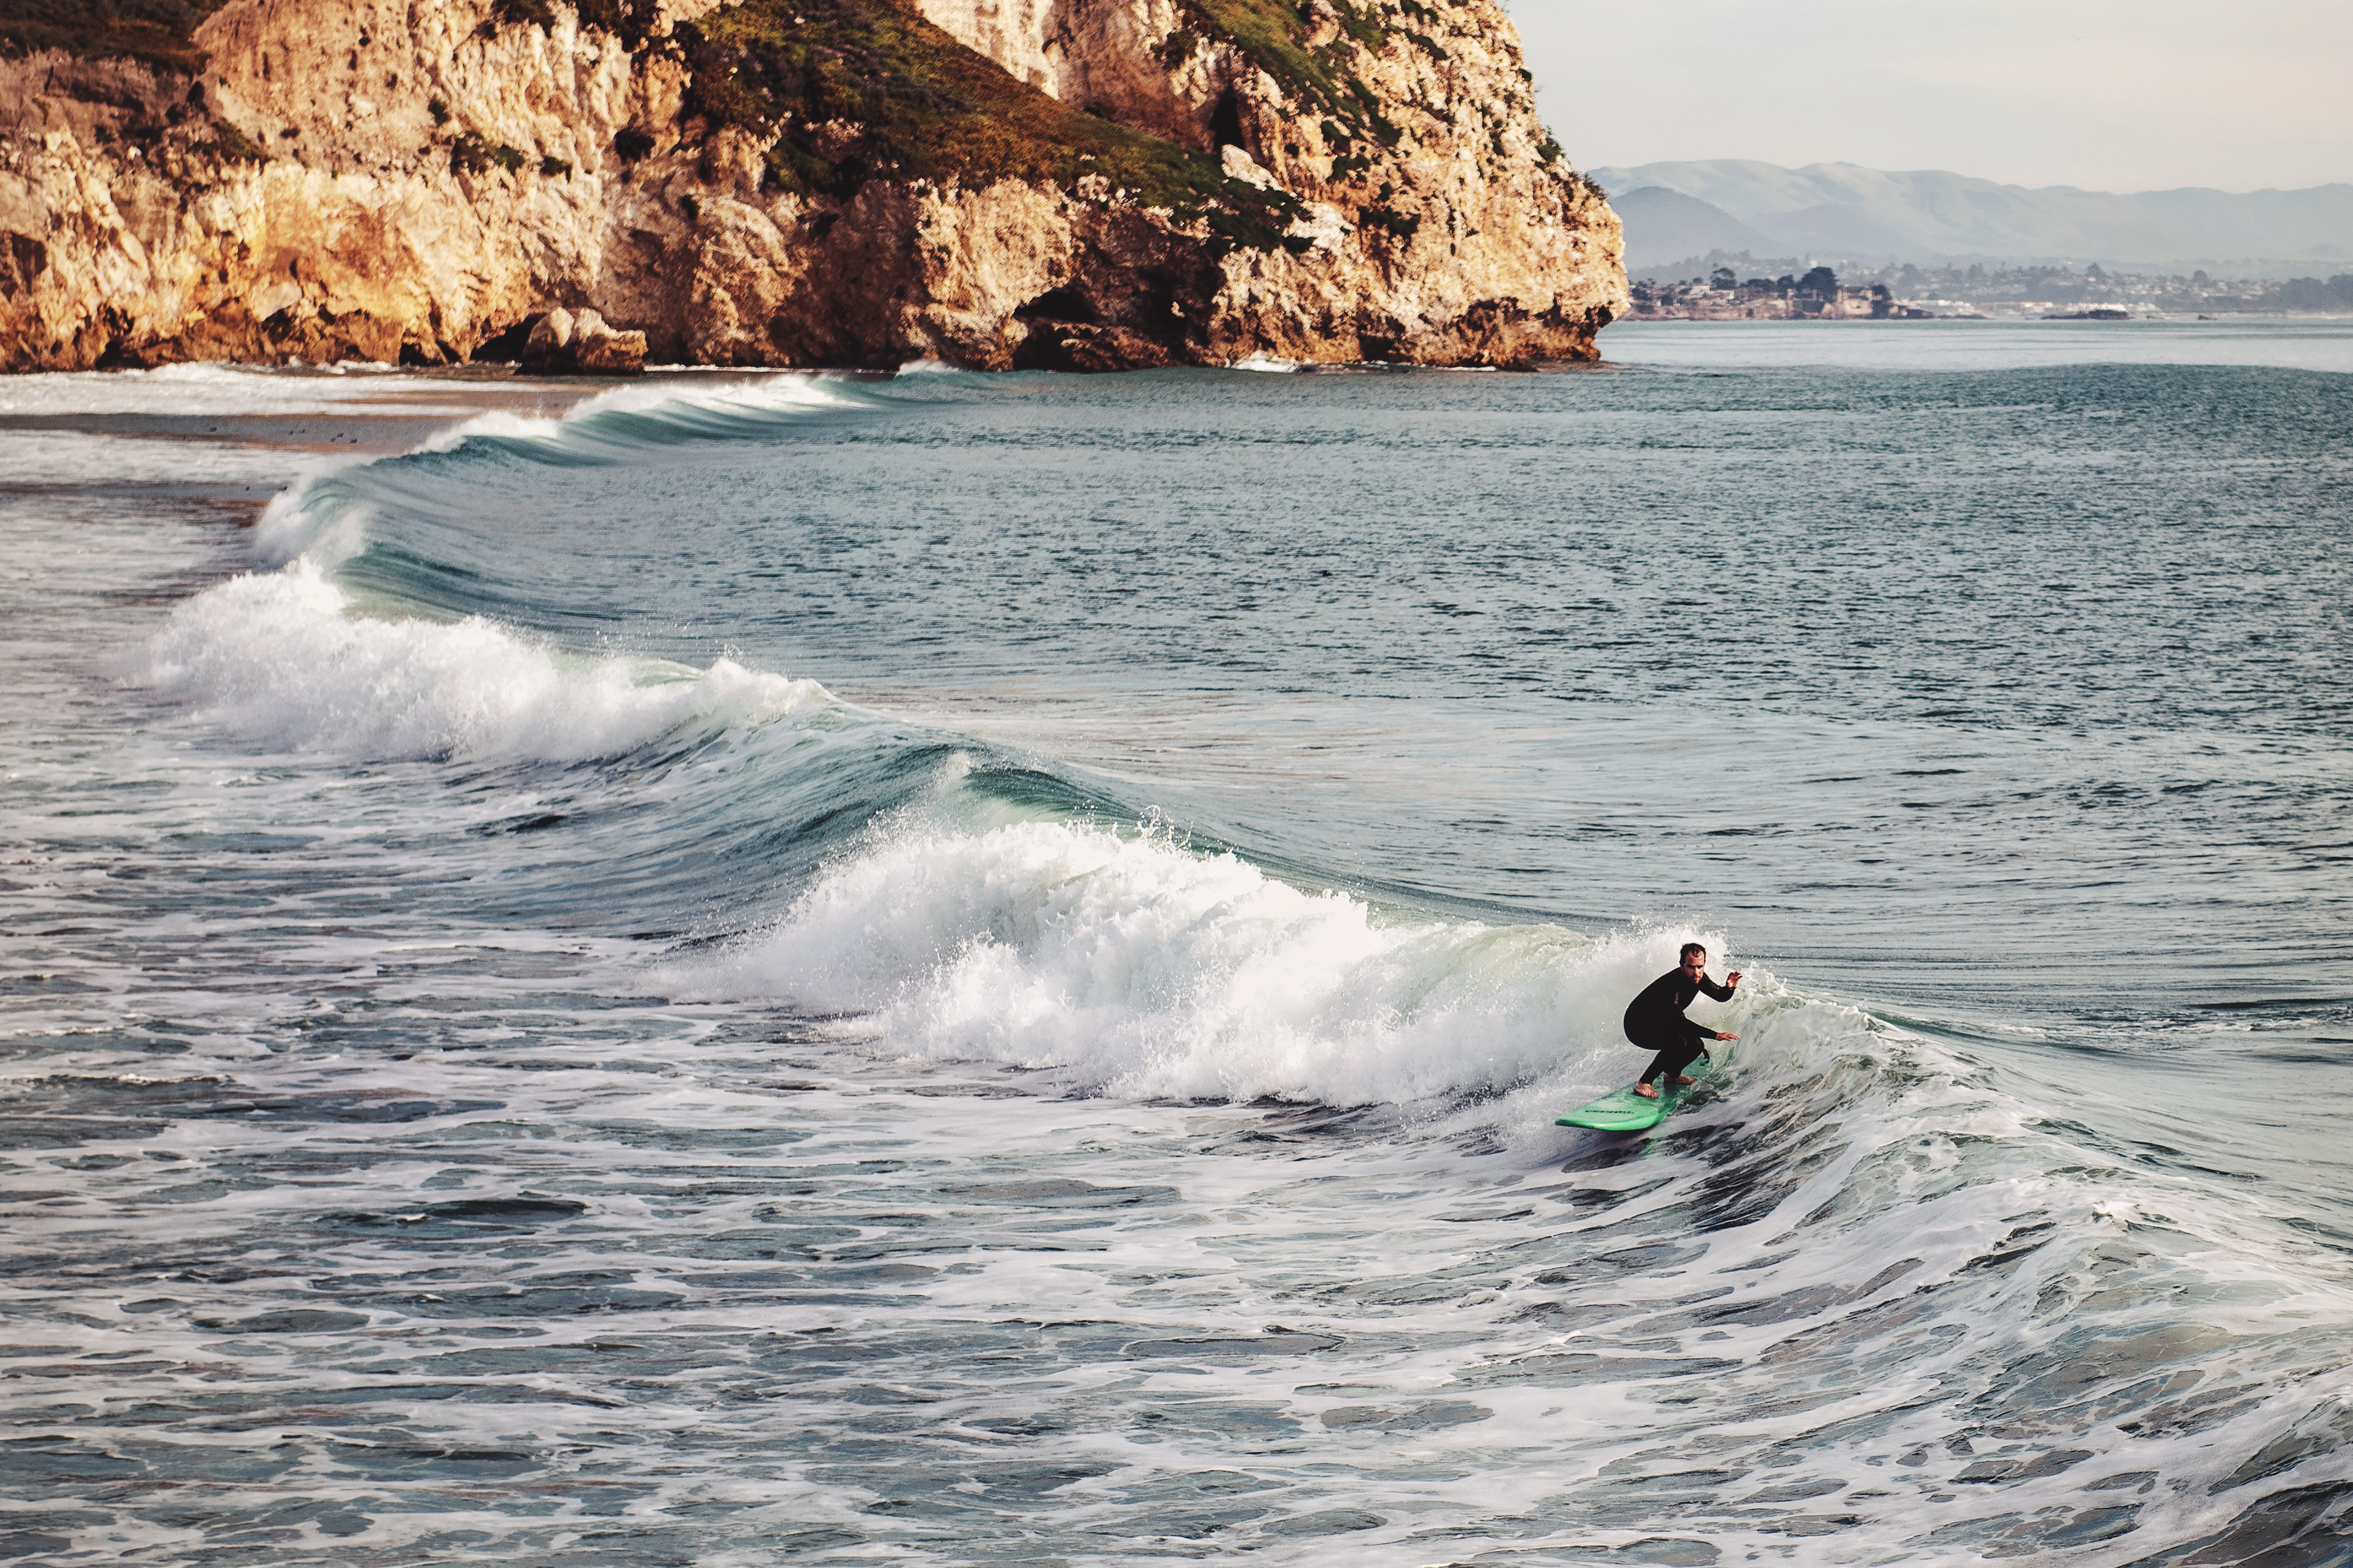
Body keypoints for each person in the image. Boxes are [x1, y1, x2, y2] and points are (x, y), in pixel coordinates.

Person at [1624, 942, 1741, 1098]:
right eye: (1691, 967)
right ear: (1682, 965)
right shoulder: (1672, 987)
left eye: (1700, 967)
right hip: (1638, 1026)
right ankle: (1643, 1083)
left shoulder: (1700, 979)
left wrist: (1730, 988)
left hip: (1660, 1022)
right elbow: (1681, 1023)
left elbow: (1720, 996)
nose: (1696, 972)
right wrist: (1716, 1035)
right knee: (1677, 1042)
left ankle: (1672, 1076)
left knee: (1697, 1045)